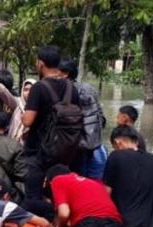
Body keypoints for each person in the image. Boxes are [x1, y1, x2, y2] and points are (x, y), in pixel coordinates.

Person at [21, 45, 82, 202]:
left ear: (41, 63)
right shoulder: (71, 87)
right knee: (58, 195)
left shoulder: (39, 88)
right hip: (64, 151)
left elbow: (28, 121)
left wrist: (22, 116)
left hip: (38, 152)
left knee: (33, 197)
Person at [59, 58, 107, 180]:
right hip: (93, 141)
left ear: (65, 73)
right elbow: (101, 116)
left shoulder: (66, 90)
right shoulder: (89, 88)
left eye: (57, 71)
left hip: (76, 144)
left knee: (77, 177)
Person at [9, 78, 36, 143]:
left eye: (32, 90)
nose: (28, 93)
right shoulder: (18, 104)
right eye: (26, 90)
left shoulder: (38, 108)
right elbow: (6, 95)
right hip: (13, 143)